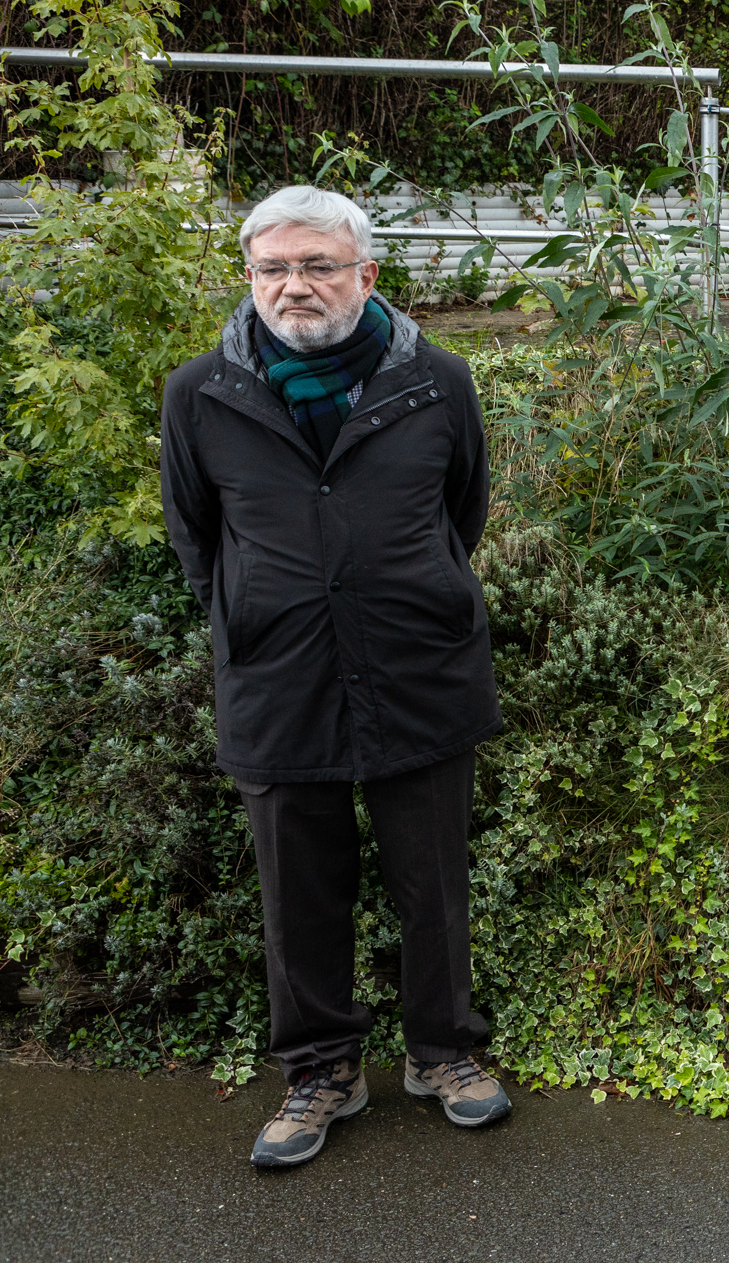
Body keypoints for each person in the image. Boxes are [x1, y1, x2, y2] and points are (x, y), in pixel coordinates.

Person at [160, 186, 512, 1168]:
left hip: (418, 664)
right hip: (277, 676)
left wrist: (410, 588)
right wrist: (251, 615)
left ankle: (443, 1052)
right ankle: (321, 1069)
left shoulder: (437, 381)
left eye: (316, 265)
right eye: (273, 267)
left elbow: (462, 511)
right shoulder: (201, 393)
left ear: (365, 274)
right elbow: (195, 534)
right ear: (248, 277)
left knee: (431, 878)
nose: (294, 286)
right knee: (297, 887)